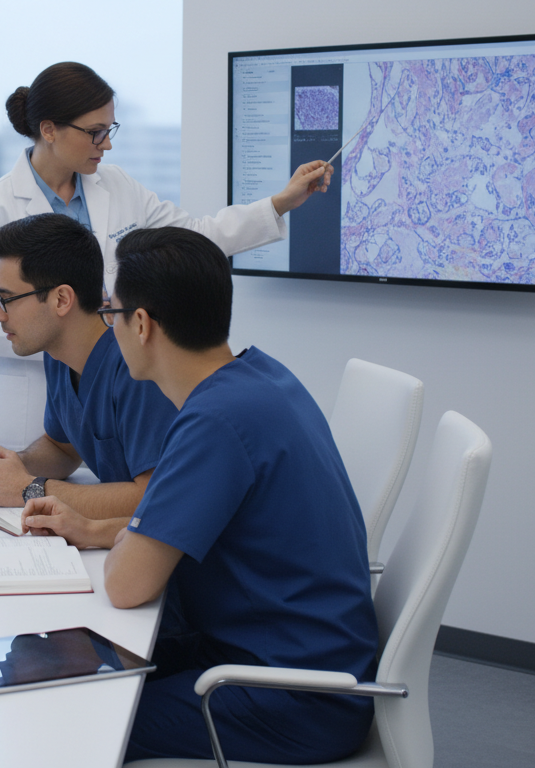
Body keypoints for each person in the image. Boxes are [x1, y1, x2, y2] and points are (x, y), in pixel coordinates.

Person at [22, 227, 377, 763]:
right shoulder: (261, 378)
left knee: (75, 714)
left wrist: (127, 540)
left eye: (111, 312)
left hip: (291, 696)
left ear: (141, 324)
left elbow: (125, 584)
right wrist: (95, 530)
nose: (108, 326)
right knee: (65, 664)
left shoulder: (213, 423)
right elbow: (192, 525)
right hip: (281, 651)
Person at [0, 61, 333, 452]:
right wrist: (64, 338)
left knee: (116, 500)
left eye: (109, 130)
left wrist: (280, 203)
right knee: (27, 502)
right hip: (34, 410)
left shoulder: (117, 186)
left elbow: (193, 236)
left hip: (120, 394)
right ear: (49, 129)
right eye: (95, 133)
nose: (107, 144)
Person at [0, 213, 175, 520]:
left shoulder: (136, 367)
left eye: (5, 298)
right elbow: (63, 448)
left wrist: (29, 489)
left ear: (62, 299)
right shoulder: (58, 354)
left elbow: (157, 498)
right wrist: (16, 464)